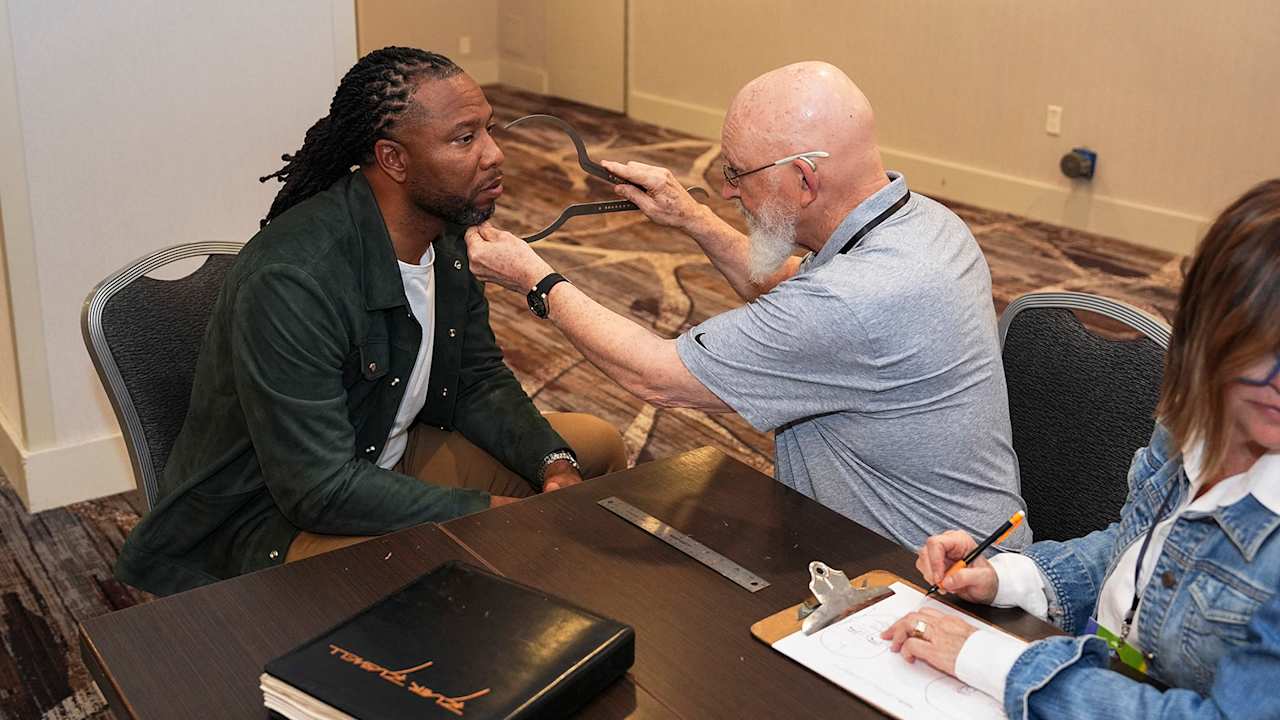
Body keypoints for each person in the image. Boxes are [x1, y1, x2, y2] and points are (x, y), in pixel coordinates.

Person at [115, 47, 625, 596]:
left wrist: (553, 464)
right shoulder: (292, 280)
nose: (495, 154)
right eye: (465, 139)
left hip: (382, 451)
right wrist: (491, 512)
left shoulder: (446, 234)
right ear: (394, 160)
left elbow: (476, 379)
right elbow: (317, 489)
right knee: (497, 546)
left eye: (489, 130)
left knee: (591, 450)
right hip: (275, 521)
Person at [465, 61, 1029, 550]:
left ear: (804, 180)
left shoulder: (853, 301)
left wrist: (535, 280)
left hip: (921, 580)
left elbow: (658, 376)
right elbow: (790, 286)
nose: (728, 191)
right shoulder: (927, 224)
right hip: (943, 543)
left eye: (737, 173)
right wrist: (691, 217)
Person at [881, 179, 1280, 719]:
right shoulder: (1198, 419)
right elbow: (1137, 552)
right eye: (1264, 349)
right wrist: (1013, 578)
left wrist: (996, 663)